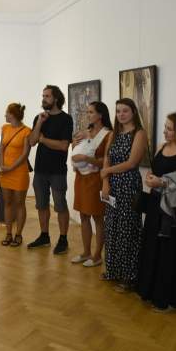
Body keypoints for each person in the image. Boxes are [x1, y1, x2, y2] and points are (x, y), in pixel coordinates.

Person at [137, 112, 176, 312]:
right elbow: (156, 172)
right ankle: (153, 292)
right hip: (157, 205)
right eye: (165, 127)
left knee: (172, 252)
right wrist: (150, 178)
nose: (165, 131)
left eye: (169, 129)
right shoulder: (161, 147)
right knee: (155, 248)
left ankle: (170, 299)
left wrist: (161, 182)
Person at [101, 98, 147, 291]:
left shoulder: (139, 133)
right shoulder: (114, 134)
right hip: (112, 185)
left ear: (133, 112)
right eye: (118, 111)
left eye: (125, 111)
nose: (121, 114)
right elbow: (106, 158)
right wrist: (105, 182)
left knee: (127, 229)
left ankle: (129, 276)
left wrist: (107, 171)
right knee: (112, 227)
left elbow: (132, 163)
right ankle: (113, 270)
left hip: (129, 185)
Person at [27, 85, 74, 254]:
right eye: (43, 96)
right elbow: (32, 141)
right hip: (40, 169)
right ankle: (44, 236)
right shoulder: (39, 118)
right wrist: (40, 122)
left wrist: (44, 140)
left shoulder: (66, 119)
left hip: (57, 170)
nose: (44, 99)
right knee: (41, 205)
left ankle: (63, 238)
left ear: (56, 98)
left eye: (47, 96)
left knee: (60, 205)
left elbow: (63, 146)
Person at [70, 101, 112, 267]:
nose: (88, 115)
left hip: (96, 179)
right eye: (87, 112)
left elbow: (105, 162)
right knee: (83, 216)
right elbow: (76, 152)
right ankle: (86, 252)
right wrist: (74, 147)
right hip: (81, 178)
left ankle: (97, 255)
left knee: (98, 217)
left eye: (91, 112)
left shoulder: (108, 135)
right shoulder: (85, 132)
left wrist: (86, 158)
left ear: (100, 115)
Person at [0, 103, 31, 247]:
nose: (5, 115)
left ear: (13, 115)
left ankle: (18, 234)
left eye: (7, 112)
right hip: (5, 172)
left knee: (20, 203)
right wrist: (2, 166)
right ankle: (8, 233)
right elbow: (1, 148)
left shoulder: (27, 131)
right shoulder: (5, 128)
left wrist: (10, 168)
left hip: (19, 172)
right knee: (7, 203)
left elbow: (25, 154)